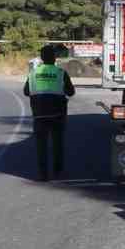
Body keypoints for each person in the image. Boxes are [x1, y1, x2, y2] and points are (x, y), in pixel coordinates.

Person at [24, 45, 75, 179]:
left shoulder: (33, 73)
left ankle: (43, 174)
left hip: (39, 114)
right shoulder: (60, 73)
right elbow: (71, 92)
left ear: (41, 58)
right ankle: (58, 172)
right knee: (57, 144)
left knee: (41, 145)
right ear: (54, 58)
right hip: (58, 114)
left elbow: (26, 91)